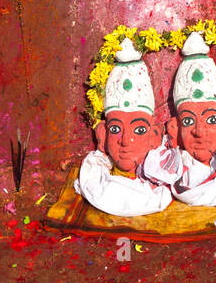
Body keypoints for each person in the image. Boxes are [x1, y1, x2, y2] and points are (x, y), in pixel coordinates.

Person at [141, 31, 216, 206]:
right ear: (174, 129)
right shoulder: (161, 174)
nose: (198, 131)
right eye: (188, 121)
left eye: (211, 120)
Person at [74, 38, 173, 216]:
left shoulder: (165, 181)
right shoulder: (92, 178)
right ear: (102, 135)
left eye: (140, 130)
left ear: (155, 136)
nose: (126, 141)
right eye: (115, 130)